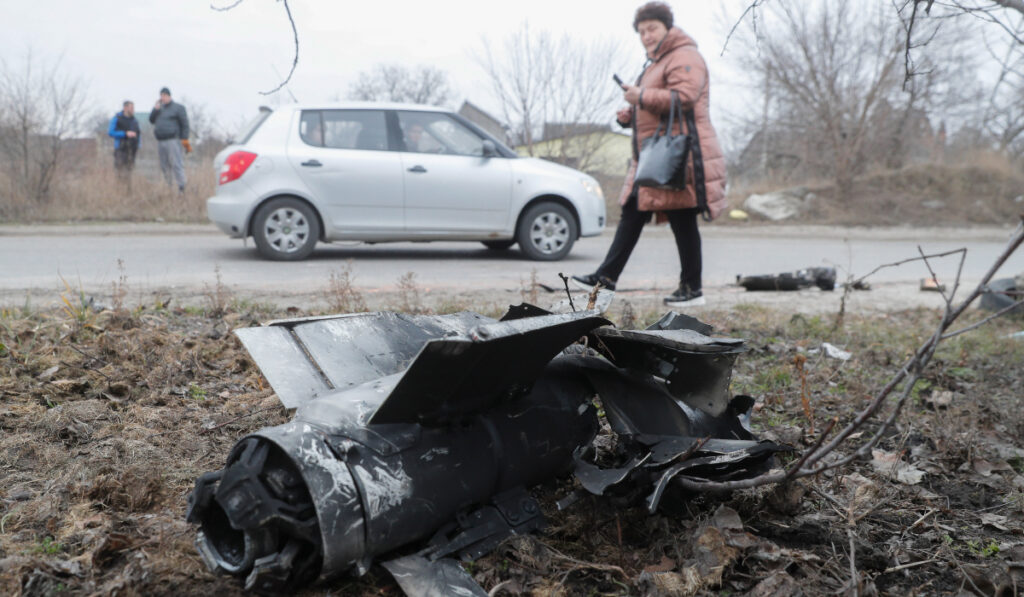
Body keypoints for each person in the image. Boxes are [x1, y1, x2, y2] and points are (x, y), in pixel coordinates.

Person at [572, 2, 727, 307]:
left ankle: (691, 289)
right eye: (641, 31)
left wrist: (640, 95)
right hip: (655, 156)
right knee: (633, 211)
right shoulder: (656, 63)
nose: (646, 35)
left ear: (667, 27)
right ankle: (606, 278)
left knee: (682, 219)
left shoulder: (684, 56)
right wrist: (631, 112)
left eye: (652, 28)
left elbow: (684, 97)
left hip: (679, 156)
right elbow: (656, 104)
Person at [148, 87, 191, 192]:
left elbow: (185, 124)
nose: (163, 98)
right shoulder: (159, 109)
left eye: (164, 96)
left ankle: (182, 187)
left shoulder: (178, 108)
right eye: (161, 96)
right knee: (164, 165)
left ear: (169, 96)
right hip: (161, 140)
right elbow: (151, 120)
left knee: (177, 164)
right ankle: (169, 186)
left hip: (173, 139)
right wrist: (155, 109)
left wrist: (185, 138)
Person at [107, 100, 140, 186]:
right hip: (120, 150)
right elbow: (111, 132)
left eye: (133, 108)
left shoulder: (134, 120)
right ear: (125, 108)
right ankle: (119, 192)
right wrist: (125, 133)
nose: (133, 110)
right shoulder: (117, 118)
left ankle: (128, 194)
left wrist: (138, 144)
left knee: (129, 173)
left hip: (132, 150)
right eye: (131, 108)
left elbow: (138, 133)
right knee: (120, 172)